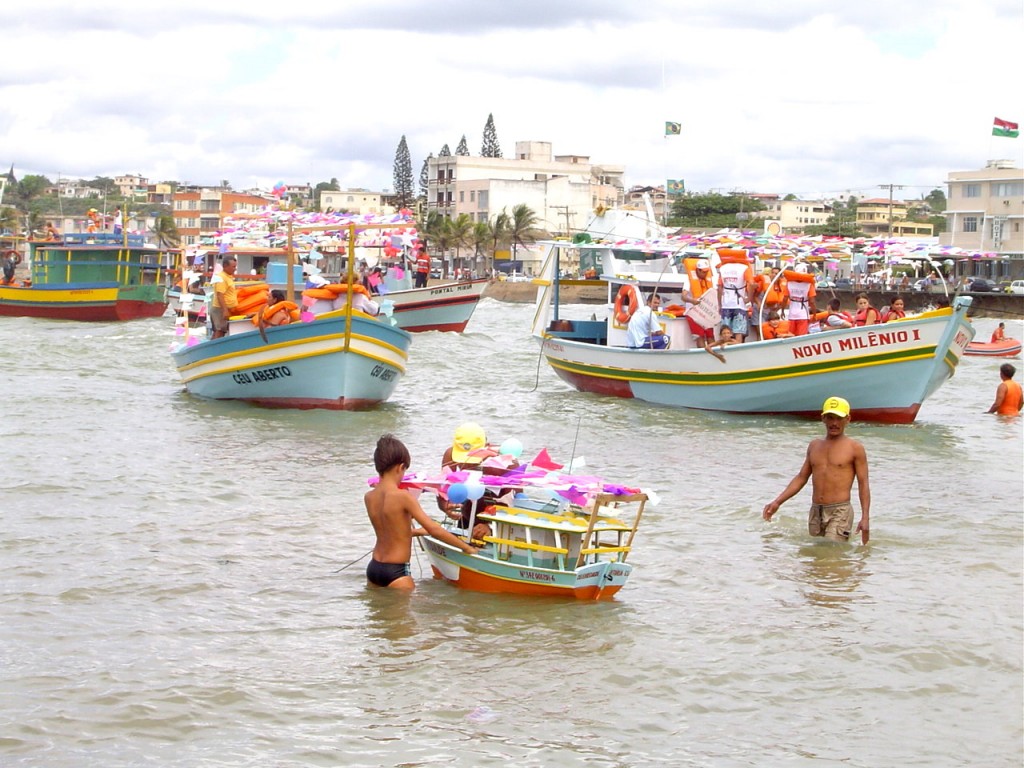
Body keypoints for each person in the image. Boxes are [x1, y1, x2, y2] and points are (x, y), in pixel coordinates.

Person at [365, 434, 477, 590]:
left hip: (374, 567)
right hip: (396, 573)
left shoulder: (369, 497)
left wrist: (417, 532)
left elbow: (390, 531)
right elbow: (434, 529)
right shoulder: (403, 496)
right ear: (400, 467)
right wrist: (466, 548)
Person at [762, 396, 871, 544]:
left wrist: (865, 518)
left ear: (848, 419)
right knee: (816, 559)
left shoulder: (855, 448)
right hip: (816, 511)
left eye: (839, 418)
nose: (834, 423)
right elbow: (801, 477)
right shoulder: (814, 446)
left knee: (830, 552)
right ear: (823, 419)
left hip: (840, 511)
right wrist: (777, 502)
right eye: (830, 418)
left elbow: (863, 484)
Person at [716, 251, 754, 343]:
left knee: (725, 331)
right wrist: (748, 299)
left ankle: (726, 349)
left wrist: (720, 304)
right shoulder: (745, 268)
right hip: (740, 304)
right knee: (739, 331)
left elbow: (719, 287)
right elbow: (752, 284)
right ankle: (737, 350)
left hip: (726, 304)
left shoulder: (723, 268)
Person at [783, 263, 817, 336]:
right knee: (801, 337)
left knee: (791, 336)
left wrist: (782, 310)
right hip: (803, 315)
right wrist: (814, 314)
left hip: (792, 314)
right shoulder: (809, 285)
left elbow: (785, 299)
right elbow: (812, 301)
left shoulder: (789, 284)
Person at [210, 255, 238, 339]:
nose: (235, 268)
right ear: (225, 266)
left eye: (235, 266)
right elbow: (220, 295)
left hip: (225, 308)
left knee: (221, 331)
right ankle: (215, 349)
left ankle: (213, 348)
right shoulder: (221, 278)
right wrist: (225, 310)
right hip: (220, 309)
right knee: (220, 330)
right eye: (233, 267)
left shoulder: (228, 277)